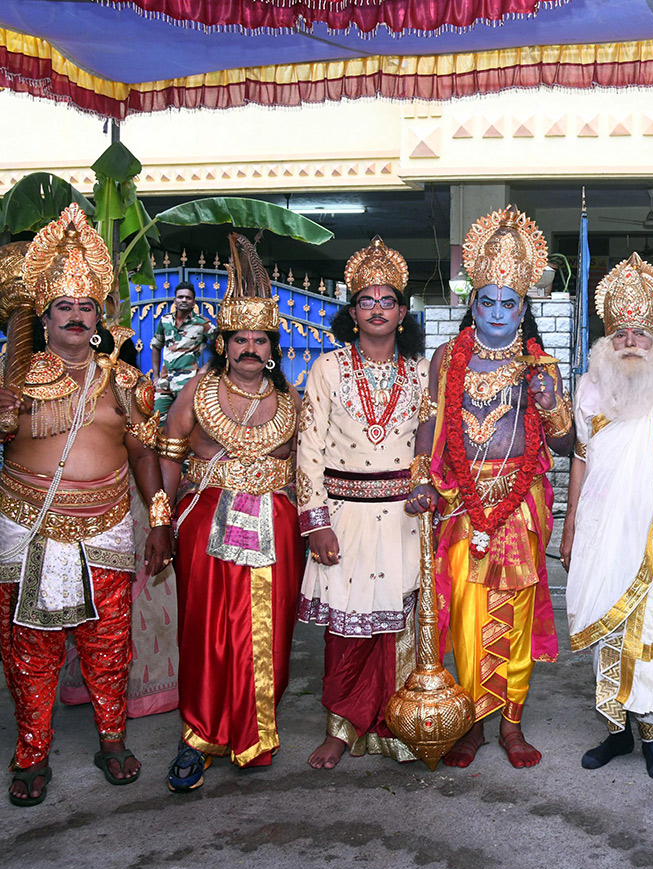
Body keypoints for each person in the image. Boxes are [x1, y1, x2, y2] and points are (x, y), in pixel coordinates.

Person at [0, 204, 170, 805]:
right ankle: (31, 753)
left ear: (101, 316)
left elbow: (143, 452)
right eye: (64, 307)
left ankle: (112, 738)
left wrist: (159, 516)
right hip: (29, 524)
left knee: (108, 641)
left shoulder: (123, 380)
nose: (76, 317)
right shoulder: (14, 376)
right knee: (31, 648)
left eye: (86, 307)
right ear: (44, 317)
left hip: (106, 525)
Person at [406, 205, 573, 768]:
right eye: (487, 300)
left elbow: (568, 446)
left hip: (518, 507)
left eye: (510, 303)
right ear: (471, 302)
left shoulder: (540, 366)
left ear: (524, 308)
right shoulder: (447, 357)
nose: (498, 312)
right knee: (466, 616)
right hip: (460, 504)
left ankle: (511, 724)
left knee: (515, 618)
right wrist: (421, 479)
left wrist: (552, 411)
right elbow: (430, 422)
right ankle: (473, 720)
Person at [159, 233, 303, 792]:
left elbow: (308, 468)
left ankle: (256, 732)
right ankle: (197, 735)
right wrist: (159, 523)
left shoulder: (293, 403)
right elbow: (168, 458)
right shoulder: (195, 391)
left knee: (267, 634)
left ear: (272, 347)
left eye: (259, 339)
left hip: (276, 531)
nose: (249, 348)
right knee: (204, 633)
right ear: (223, 344)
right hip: (203, 529)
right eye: (239, 339)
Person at [561, 253, 653, 779]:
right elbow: (582, 460)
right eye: (620, 332)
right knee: (607, 633)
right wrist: (570, 525)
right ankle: (615, 733)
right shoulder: (589, 391)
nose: (629, 341)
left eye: (641, 333)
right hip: (602, 533)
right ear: (606, 339)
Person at [298, 237, 429, 770]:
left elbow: (431, 443)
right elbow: (307, 449)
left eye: (387, 300)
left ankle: (396, 723)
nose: (377, 308)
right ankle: (340, 727)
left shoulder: (422, 373)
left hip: (403, 518)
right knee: (347, 631)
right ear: (353, 313)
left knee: (398, 627)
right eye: (367, 300)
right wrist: (316, 524)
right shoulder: (327, 368)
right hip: (344, 516)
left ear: (402, 313)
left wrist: (429, 494)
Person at [150, 279, 215, 417]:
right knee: (157, 419)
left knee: (185, 421)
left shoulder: (202, 324)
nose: (184, 300)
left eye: (188, 297)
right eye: (180, 297)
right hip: (165, 382)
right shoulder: (165, 321)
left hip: (188, 383)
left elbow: (222, 346)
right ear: (175, 300)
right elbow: (156, 346)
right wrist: (155, 377)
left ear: (194, 302)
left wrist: (205, 369)